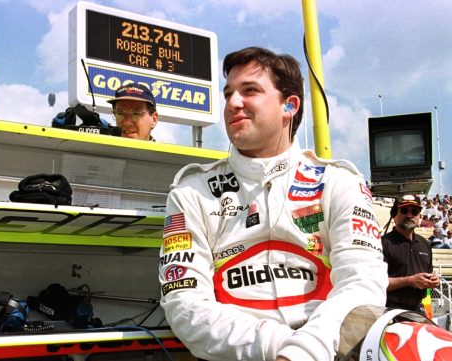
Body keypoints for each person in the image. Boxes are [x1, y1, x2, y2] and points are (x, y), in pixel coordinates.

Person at [158, 47, 387, 361]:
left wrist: (306, 350)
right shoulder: (190, 193)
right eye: (228, 94)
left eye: (250, 90)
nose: (233, 103)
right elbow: (183, 302)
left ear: (289, 105)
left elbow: (362, 284)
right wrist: (284, 348)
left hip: (327, 350)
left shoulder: (339, 182)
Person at [382, 195, 440, 311]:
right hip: (389, 310)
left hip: (418, 309)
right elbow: (376, 283)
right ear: (394, 215)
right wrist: (410, 281)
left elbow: (428, 274)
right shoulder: (383, 243)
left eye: (414, 211)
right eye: (404, 211)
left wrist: (433, 279)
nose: (409, 215)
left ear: (419, 216)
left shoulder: (425, 244)